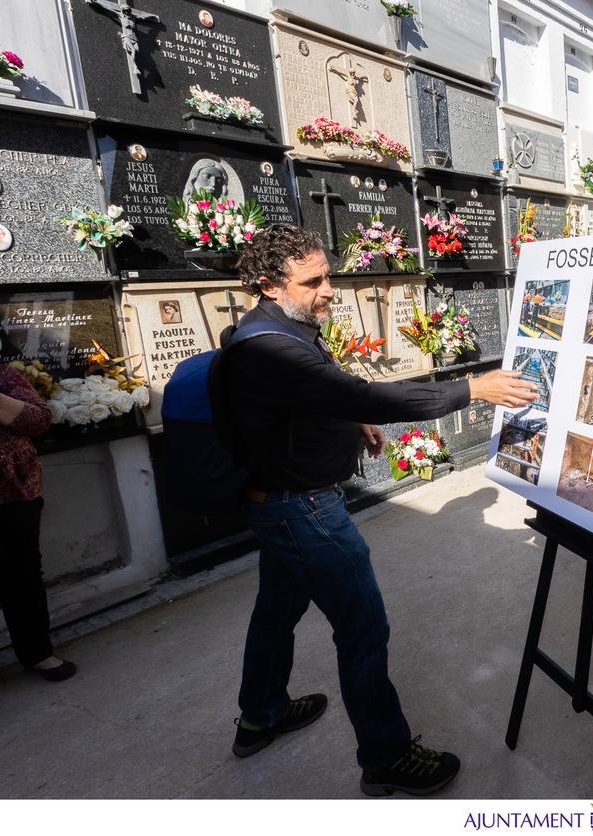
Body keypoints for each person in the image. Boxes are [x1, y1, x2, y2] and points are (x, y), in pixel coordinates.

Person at [221, 225, 536, 797]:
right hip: (305, 512)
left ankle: (260, 716)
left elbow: (320, 394)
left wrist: (350, 420)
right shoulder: (270, 347)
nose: (328, 290)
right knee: (363, 629)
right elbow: (361, 394)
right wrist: (472, 389)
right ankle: (386, 758)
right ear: (269, 285)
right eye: (312, 282)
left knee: (275, 613)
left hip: (282, 507)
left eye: (328, 276)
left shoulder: (279, 328)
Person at [0, 358, 77, 682]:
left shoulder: (3, 376)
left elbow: (40, 420)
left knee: (22, 576)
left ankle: (38, 653)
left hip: (13, 497)